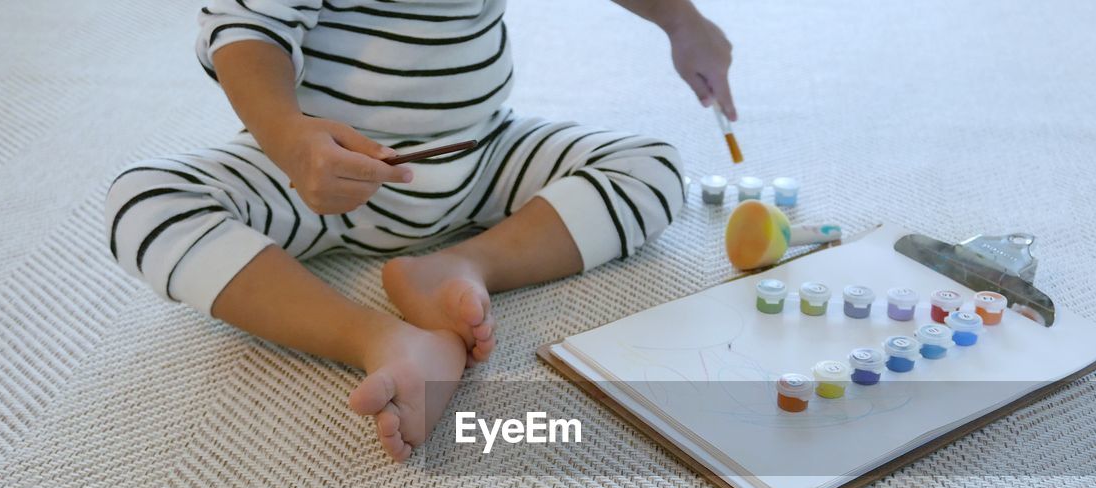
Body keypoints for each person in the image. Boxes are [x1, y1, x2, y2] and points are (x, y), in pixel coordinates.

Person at [106, 0, 736, 461]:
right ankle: (376, 337)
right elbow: (245, 28)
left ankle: (461, 266)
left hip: (479, 159)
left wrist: (682, 21)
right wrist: (290, 140)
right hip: (315, 174)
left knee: (651, 167)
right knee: (145, 202)